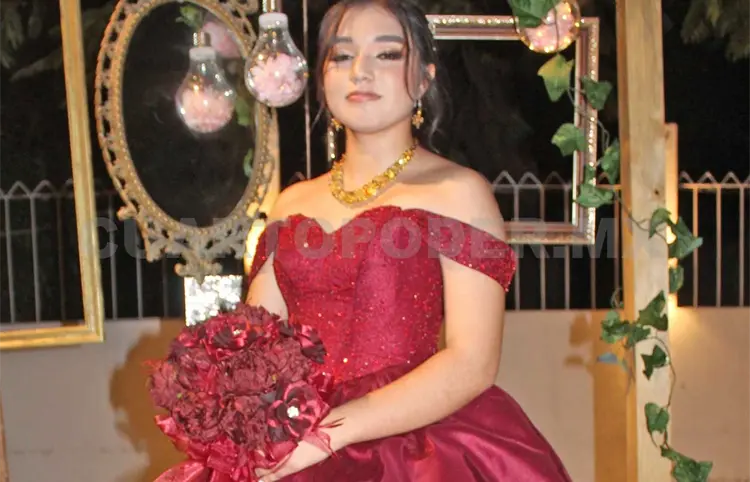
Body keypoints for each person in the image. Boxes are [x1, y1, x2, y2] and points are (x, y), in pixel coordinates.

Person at [247, 0, 572, 480]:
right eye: (341, 55)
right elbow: (255, 349)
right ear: (322, 79)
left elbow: (473, 362)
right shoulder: (290, 203)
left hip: (417, 449)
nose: (360, 71)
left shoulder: (458, 191)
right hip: (294, 441)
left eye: (387, 54)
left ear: (423, 79)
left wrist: (329, 433)